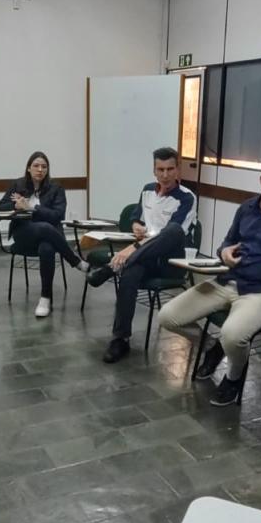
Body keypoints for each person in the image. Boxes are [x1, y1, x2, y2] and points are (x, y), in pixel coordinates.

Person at [158, 154, 261, 406]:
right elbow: (227, 243)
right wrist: (224, 252)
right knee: (168, 316)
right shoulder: (247, 208)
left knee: (232, 333)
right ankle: (211, 348)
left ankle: (233, 376)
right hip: (227, 280)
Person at [87, 146, 197, 363]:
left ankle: (111, 267)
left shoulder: (187, 198)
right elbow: (136, 217)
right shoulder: (147, 190)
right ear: (154, 170)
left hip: (170, 260)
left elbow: (171, 234)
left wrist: (132, 249)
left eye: (170, 169)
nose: (165, 175)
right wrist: (137, 225)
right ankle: (120, 339)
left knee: (171, 231)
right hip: (144, 257)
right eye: (160, 169)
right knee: (129, 273)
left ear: (178, 170)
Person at [0, 150, 91, 318]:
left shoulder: (56, 188)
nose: (40, 169)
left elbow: (58, 215)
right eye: (36, 166)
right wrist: (16, 206)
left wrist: (33, 208)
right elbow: (1, 207)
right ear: (28, 168)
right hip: (24, 235)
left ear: (48, 170)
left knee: (47, 247)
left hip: (49, 238)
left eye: (44, 167)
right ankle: (75, 261)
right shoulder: (18, 185)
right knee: (47, 228)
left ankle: (45, 299)